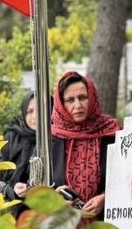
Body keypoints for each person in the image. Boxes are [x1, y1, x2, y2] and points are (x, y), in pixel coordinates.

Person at [51, 71, 121, 219]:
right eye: (70, 100)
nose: (78, 105)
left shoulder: (112, 133)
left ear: (92, 98)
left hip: (106, 227)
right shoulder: (50, 139)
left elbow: (129, 177)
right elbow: (35, 186)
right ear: (61, 104)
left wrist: (106, 198)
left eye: (83, 97)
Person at [0, 92, 40, 203]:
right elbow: (0, 178)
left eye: (39, 110)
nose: (35, 116)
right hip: (12, 201)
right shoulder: (12, 136)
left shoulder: (55, 140)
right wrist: (12, 190)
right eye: (30, 111)